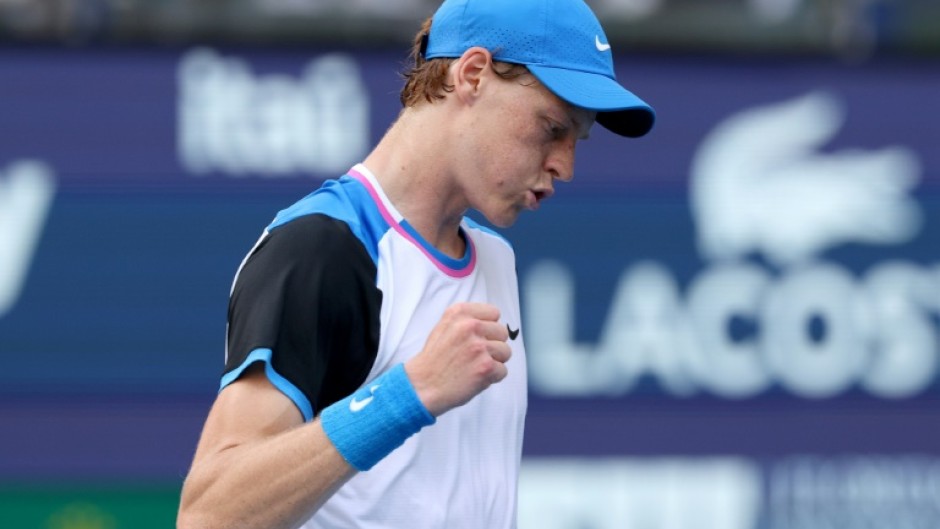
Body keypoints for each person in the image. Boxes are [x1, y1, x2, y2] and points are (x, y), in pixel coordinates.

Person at [176, 0, 654, 527]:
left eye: (576, 140)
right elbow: (210, 515)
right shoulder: (323, 248)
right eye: (551, 128)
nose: (564, 166)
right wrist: (410, 393)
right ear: (472, 74)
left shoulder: (495, 260)